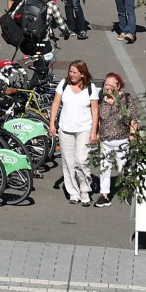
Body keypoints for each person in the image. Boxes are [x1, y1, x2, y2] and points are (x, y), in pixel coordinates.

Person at [47, 61, 99, 206]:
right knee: (68, 162)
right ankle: (73, 192)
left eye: (75, 72)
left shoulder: (90, 88)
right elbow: (56, 104)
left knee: (81, 160)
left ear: (83, 74)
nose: (72, 74)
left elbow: (95, 111)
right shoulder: (64, 84)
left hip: (84, 128)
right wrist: (52, 124)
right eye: (71, 71)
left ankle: (85, 189)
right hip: (65, 128)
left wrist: (94, 132)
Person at [93, 72, 138, 206]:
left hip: (122, 140)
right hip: (105, 141)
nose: (107, 87)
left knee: (123, 168)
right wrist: (97, 133)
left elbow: (134, 118)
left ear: (118, 86)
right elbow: (99, 119)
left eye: (110, 85)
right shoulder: (102, 100)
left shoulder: (127, 99)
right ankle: (104, 195)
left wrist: (132, 135)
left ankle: (128, 190)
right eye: (105, 84)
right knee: (104, 168)